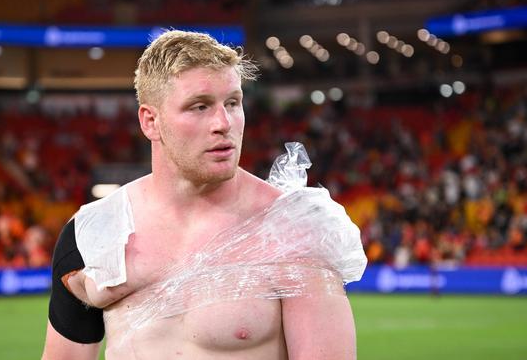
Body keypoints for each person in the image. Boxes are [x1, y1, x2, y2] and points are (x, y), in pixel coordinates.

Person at [42, 30, 361, 360]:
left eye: (233, 103)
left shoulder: (293, 232)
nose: (223, 123)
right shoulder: (93, 231)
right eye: (199, 107)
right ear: (150, 121)